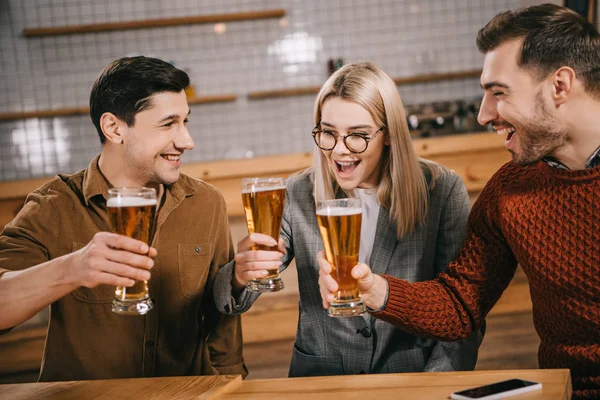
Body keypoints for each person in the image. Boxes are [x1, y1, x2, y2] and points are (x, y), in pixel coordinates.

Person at [317, 4, 599, 399]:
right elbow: (458, 306)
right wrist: (375, 290)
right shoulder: (511, 189)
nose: (484, 115)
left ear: (560, 85)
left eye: (498, 92)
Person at [214, 62, 483, 376]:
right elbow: (234, 299)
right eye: (328, 133)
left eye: (358, 136)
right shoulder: (297, 192)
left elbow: (464, 312)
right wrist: (240, 276)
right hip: (321, 381)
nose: (340, 150)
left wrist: (432, 386)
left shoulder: (441, 190)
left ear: (389, 135)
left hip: (410, 378)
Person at [0, 56, 246, 381]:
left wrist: (233, 384)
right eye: (168, 124)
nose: (187, 141)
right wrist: (72, 268)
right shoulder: (53, 205)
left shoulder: (205, 202)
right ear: (114, 128)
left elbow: (220, 323)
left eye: (186, 122)